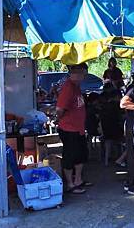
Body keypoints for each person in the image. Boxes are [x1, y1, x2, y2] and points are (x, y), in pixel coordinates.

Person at [56, 63, 92, 194]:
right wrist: (59, 119)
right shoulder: (68, 87)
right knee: (70, 156)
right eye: (83, 72)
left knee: (81, 155)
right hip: (69, 128)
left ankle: (78, 180)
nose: (85, 75)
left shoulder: (76, 87)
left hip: (78, 128)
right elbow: (60, 109)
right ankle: (70, 184)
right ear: (75, 72)